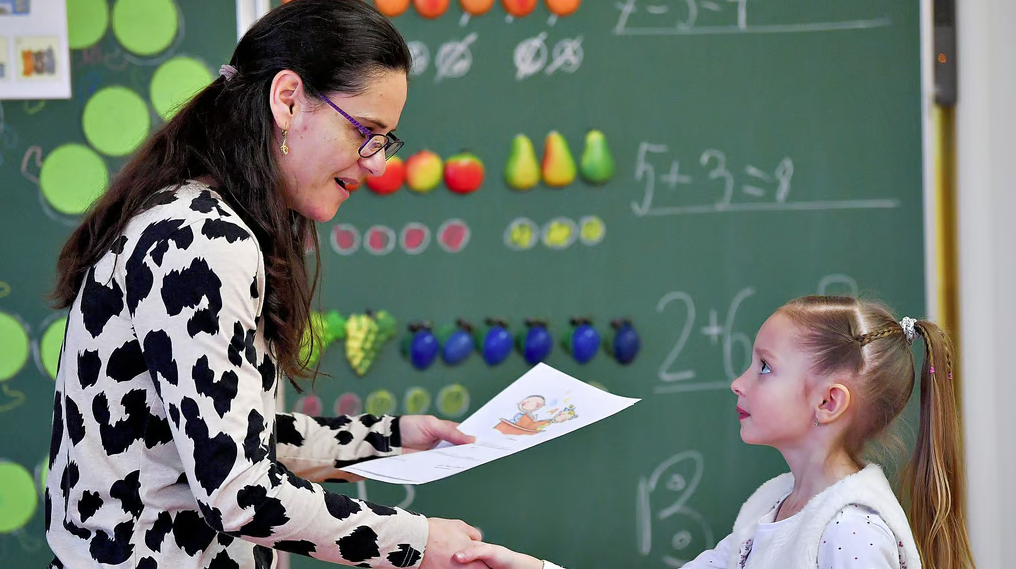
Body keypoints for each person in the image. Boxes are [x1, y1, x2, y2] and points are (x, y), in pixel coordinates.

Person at [45, 1, 487, 568]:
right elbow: (240, 492)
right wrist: (418, 542)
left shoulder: (192, 217)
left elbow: (229, 437)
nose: (376, 164)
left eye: (385, 140)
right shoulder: (201, 240)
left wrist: (391, 437)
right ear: (288, 100)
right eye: (365, 132)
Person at [453, 296, 977, 569]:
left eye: (765, 367)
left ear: (828, 402)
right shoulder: (772, 509)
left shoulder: (851, 531)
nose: (739, 382)